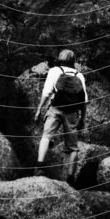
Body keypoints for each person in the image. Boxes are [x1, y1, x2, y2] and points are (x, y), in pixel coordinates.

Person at [34, 49, 88, 184]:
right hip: (72, 113)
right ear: (73, 61)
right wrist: (82, 118)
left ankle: (39, 167)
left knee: (46, 136)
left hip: (55, 108)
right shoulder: (79, 75)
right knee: (72, 147)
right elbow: (84, 100)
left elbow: (47, 92)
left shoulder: (54, 71)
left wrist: (39, 109)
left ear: (60, 59)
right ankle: (70, 178)